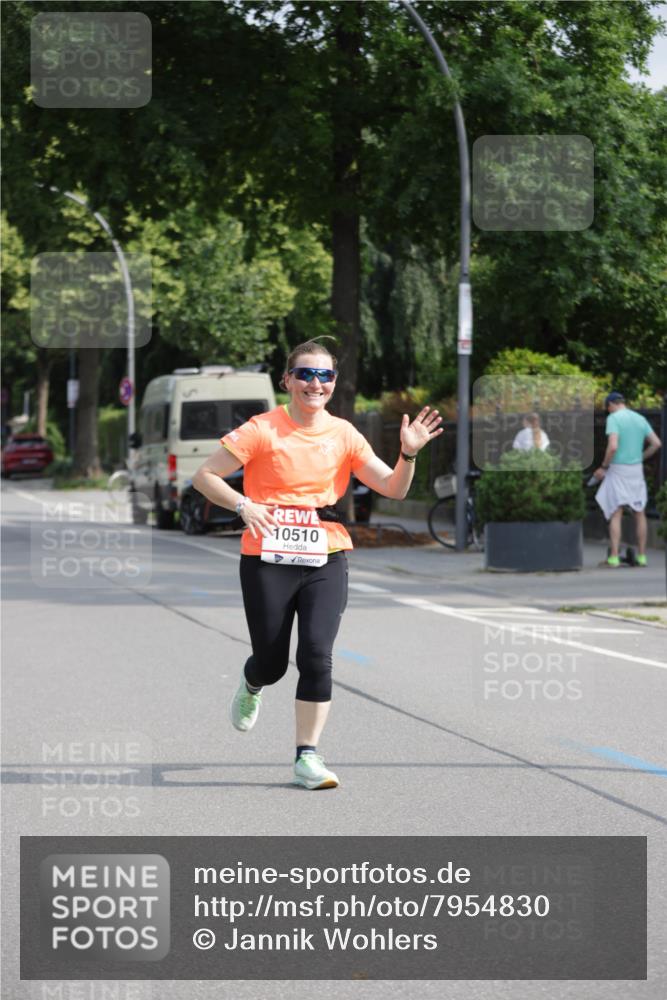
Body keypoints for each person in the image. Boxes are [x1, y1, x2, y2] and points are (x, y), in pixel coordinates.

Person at [192, 340, 443, 790]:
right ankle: (253, 682)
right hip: (267, 556)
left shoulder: (344, 434)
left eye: (324, 376)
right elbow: (205, 477)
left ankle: (306, 757)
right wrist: (243, 506)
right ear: (286, 380)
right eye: (305, 374)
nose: (315, 383)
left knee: (316, 655)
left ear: (333, 384)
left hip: (326, 553)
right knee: (272, 663)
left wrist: (408, 454)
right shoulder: (261, 429)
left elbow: (393, 488)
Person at [593, 391, 661, 567]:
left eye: (607, 409)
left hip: (618, 469)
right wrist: (641, 456)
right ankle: (642, 556)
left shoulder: (614, 418)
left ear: (610, 405)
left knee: (616, 512)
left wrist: (604, 467)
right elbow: (656, 444)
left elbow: (613, 446)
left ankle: (614, 557)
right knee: (640, 512)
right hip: (636, 470)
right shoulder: (639, 419)